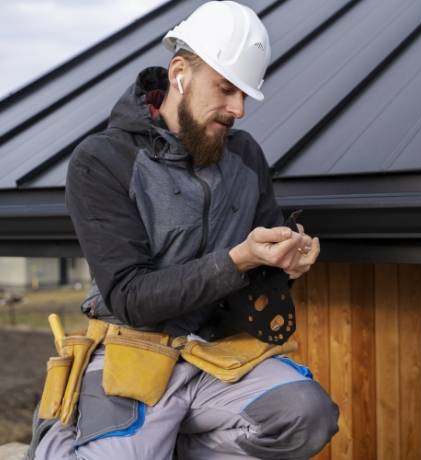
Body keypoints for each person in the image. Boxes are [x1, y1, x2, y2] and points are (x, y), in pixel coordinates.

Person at [29, 2, 339, 459]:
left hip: (213, 355)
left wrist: (286, 260)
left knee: (307, 415)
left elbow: (262, 258)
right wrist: (240, 258)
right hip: (131, 350)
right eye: (226, 89)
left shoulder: (245, 157)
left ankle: (170, 442)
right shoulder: (102, 161)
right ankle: (58, 440)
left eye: (244, 96)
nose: (238, 110)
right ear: (180, 73)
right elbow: (132, 298)